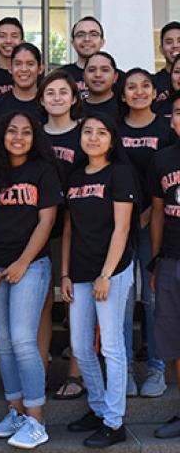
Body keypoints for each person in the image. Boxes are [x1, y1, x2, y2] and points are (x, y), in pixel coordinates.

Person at [0, 111, 62, 449]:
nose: (18, 137)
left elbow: (47, 221)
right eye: (12, 131)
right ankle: (15, 412)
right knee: (5, 341)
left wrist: (23, 262)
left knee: (25, 341)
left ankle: (36, 419)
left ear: (35, 137)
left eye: (26, 132)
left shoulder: (43, 170)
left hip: (31, 266)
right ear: (2, 135)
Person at [63, 113, 137, 448]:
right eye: (88, 132)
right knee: (79, 345)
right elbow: (68, 228)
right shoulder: (75, 176)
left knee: (111, 346)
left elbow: (122, 229)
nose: (93, 137)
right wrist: (64, 273)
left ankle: (115, 421)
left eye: (101, 132)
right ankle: (97, 407)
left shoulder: (120, 173)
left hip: (113, 270)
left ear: (112, 139)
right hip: (79, 271)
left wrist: (107, 275)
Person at [119, 68, 175, 398]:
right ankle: (123, 367)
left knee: (153, 300)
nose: (138, 92)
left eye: (145, 87)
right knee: (122, 302)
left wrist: (143, 217)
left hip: (152, 225)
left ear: (155, 93)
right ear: (122, 94)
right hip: (117, 228)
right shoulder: (114, 126)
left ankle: (156, 367)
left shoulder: (165, 129)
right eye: (131, 87)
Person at [35, 69, 87, 400]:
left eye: (62, 92)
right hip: (39, 228)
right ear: (41, 99)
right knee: (40, 303)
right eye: (50, 92)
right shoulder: (34, 135)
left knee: (75, 303)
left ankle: (76, 372)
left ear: (73, 98)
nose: (56, 98)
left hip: (79, 229)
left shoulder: (86, 134)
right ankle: (37, 372)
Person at [148, 91, 180, 439]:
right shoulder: (163, 159)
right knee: (175, 341)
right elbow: (157, 213)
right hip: (172, 259)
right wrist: (156, 261)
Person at [0, 43, 45, 147]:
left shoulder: (49, 105)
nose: (24, 69)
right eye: (18, 64)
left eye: (30, 64)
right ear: (10, 68)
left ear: (40, 69)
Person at [61, 16, 105, 99]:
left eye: (93, 34)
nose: (87, 39)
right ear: (73, 43)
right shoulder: (61, 75)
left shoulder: (117, 78)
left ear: (102, 42)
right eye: (80, 35)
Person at [82, 52, 121, 121]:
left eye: (105, 70)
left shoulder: (125, 108)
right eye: (91, 70)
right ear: (84, 76)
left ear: (115, 77)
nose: (98, 75)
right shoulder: (73, 108)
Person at [152, 21, 180, 105]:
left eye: (179, 41)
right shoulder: (153, 83)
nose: (175, 45)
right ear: (161, 49)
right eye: (169, 42)